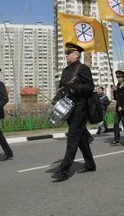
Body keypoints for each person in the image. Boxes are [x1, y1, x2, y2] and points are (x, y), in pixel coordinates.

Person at [51, 43, 96, 181]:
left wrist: (76, 87)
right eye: (65, 53)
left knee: (72, 137)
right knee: (80, 137)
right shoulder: (65, 70)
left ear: (76, 54)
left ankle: (64, 170)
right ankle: (90, 164)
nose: (65, 55)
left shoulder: (83, 69)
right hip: (68, 108)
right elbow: (62, 89)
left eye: (68, 53)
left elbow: (90, 87)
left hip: (80, 107)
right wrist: (55, 100)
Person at [111, 70, 124, 146]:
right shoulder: (117, 87)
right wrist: (114, 91)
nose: (118, 78)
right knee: (116, 123)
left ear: (123, 78)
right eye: (117, 77)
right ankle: (117, 139)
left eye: (119, 77)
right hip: (118, 108)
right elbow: (116, 98)